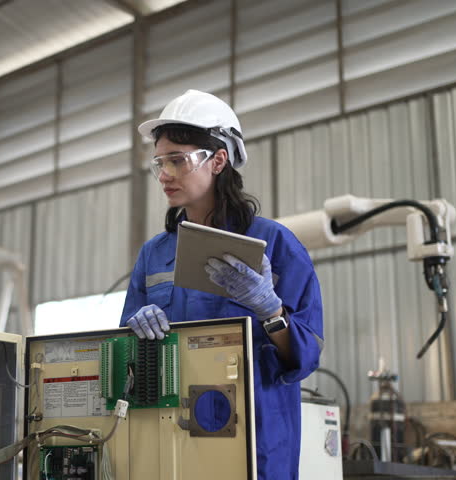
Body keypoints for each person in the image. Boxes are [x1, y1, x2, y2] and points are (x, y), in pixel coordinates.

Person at [120, 89, 323, 480]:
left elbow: (306, 355)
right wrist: (135, 332)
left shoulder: (275, 244)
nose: (164, 175)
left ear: (217, 160)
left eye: (177, 160)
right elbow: (127, 358)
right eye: (159, 162)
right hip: (173, 442)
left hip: (257, 441)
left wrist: (271, 311)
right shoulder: (154, 254)